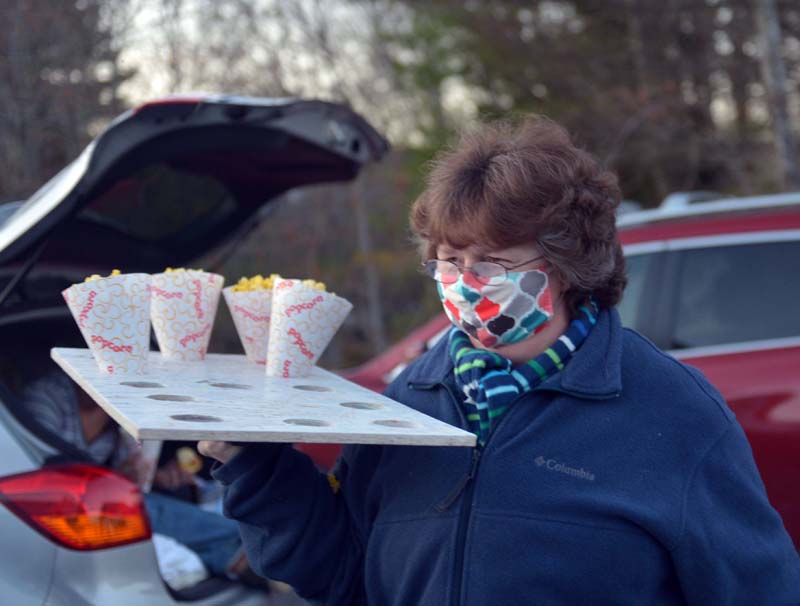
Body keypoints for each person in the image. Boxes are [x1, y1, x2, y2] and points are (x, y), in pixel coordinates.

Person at [199, 116, 800, 605]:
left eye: (491, 263)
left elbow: (759, 590)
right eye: (449, 261)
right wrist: (256, 466)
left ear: (564, 265)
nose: (465, 283)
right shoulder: (412, 399)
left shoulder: (673, 414)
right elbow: (343, 573)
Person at [22, 370, 247, 581]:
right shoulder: (48, 396)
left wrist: (152, 477)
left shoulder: (119, 410)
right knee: (215, 532)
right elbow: (42, 467)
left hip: (102, 498)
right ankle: (237, 556)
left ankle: (234, 556)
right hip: (58, 504)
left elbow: (124, 476)